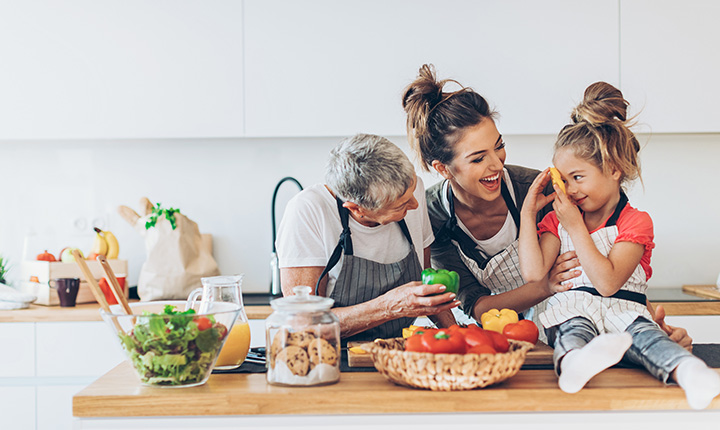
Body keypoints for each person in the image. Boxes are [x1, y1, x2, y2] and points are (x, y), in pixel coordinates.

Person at [401, 64, 691, 348]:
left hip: (567, 327)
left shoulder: (539, 190)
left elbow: (607, 255)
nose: (496, 165)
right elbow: (475, 305)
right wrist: (543, 287)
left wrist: (650, 323)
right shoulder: (433, 216)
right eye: (478, 158)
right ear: (443, 169)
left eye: (498, 146)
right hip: (500, 338)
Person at [517, 81, 719, 408]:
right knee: (571, 330)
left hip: (625, 311)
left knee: (650, 339)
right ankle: (575, 366)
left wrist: (575, 227)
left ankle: (693, 374)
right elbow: (533, 273)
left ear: (613, 169)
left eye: (577, 177)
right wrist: (529, 212)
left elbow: (608, 283)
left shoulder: (635, 221)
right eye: (563, 180)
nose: (569, 190)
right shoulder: (558, 219)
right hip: (575, 308)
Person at [276, 133, 458, 343]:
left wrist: (458, 334)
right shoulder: (309, 211)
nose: (415, 205)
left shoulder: (410, 194)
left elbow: (427, 291)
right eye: (400, 205)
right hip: (332, 357)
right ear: (357, 209)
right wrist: (388, 307)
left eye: (413, 191)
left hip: (395, 351)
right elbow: (303, 324)